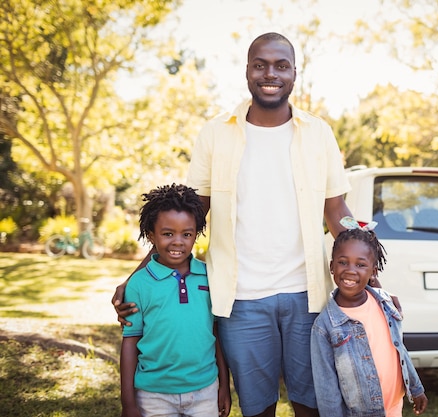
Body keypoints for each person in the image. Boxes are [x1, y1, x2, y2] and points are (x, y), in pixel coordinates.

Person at [113, 32, 355, 417]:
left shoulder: (318, 132)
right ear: (247, 71)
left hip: (306, 295)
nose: (270, 74)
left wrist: (369, 265)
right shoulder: (216, 133)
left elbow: (337, 207)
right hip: (240, 300)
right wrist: (139, 274)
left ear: (295, 72)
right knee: (257, 407)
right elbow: (192, 213)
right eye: (260, 65)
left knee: (313, 403)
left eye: (281, 65)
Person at [119, 184, 231, 417]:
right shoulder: (139, 284)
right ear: (151, 235)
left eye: (187, 234)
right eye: (168, 233)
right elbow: (130, 342)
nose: (178, 241)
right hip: (153, 394)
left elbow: (217, 334)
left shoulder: (210, 277)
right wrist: (128, 403)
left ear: (196, 234)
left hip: (205, 390)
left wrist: (224, 386)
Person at [310, 217, 428, 417]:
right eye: (342, 262)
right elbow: (326, 388)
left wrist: (416, 388)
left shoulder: (385, 304)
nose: (350, 270)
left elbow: (400, 349)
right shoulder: (324, 327)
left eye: (360, 264)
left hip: (393, 407)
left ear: (373, 272)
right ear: (332, 266)